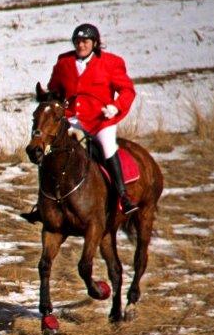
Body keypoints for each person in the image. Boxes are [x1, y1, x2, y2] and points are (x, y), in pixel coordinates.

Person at [23, 23, 137, 223]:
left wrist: (116, 106)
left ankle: (123, 196)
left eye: (85, 41)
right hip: (72, 118)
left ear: (94, 43)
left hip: (100, 119)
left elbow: (128, 90)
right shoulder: (64, 62)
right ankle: (43, 203)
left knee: (108, 147)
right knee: (49, 148)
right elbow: (55, 89)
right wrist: (48, 98)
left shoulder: (111, 63)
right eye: (77, 41)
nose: (81, 45)